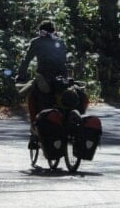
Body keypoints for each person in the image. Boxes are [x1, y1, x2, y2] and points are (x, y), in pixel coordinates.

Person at [15, 19, 70, 147]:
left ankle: (34, 133)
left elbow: (26, 60)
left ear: (40, 31)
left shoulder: (36, 42)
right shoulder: (60, 42)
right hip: (62, 79)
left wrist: (21, 76)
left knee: (33, 99)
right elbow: (64, 62)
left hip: (44, 78)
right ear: (54, 31)